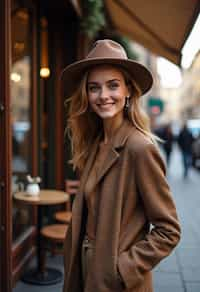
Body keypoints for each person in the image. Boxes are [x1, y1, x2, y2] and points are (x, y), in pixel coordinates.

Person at [61, 39, 181, 292]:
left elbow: (168, 231)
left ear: (128, 90)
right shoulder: (94, 143)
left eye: (113, 85)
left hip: (117, 283)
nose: (103, 96)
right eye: (94, 88)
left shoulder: (140, 147)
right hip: (84, 272)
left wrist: (122, 269)